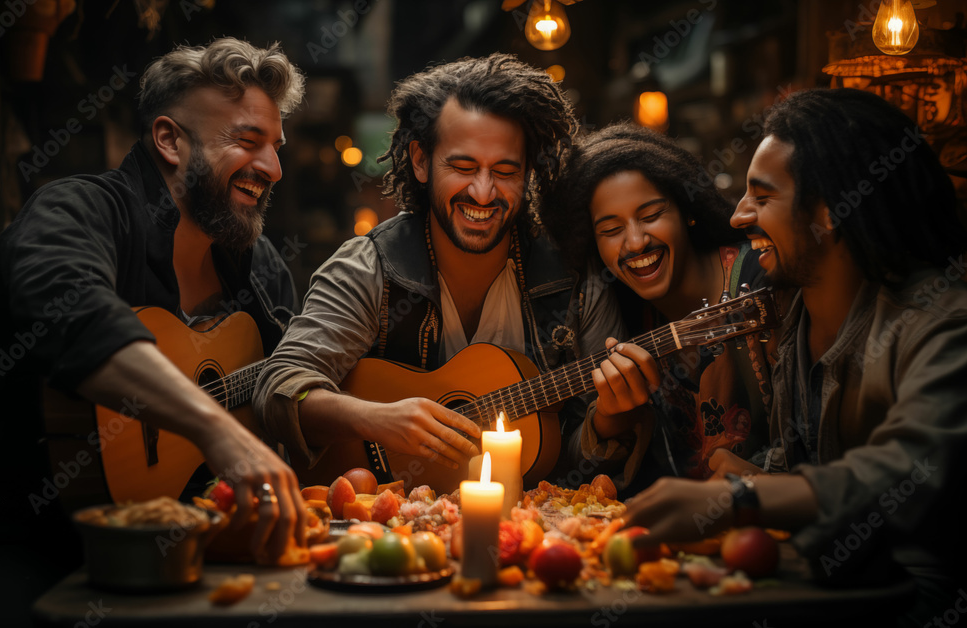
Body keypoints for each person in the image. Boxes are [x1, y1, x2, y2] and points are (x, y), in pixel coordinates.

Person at [0, 38, 309, 616]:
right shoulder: (77, 209)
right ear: (169, 140)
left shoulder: (258, 263)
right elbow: (69, 306)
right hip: (22, 547)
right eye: (247, 141)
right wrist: (216, 430)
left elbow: (294, 374)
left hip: (184, 563)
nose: (272, 168)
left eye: (276, 146)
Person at [620, 88, 967, 623]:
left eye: (761, 196)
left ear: (830, 211)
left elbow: (916, 466)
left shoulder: (939, 318)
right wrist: (749, 479)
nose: (738, 216)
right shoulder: (796, 314)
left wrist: (745, 500)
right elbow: (799, 460)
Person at [255, 53, 645, 488]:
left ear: (528, 172)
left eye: (504, 171)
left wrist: (608, 423)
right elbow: (277, 389)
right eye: (462, 167)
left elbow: (576, 462)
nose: (482, 192)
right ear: (421, 161)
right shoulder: (368, 268)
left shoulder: (576, 280)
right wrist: (378, 420)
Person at [541, 124, 779, 498]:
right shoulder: (625, 312)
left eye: (650, 215)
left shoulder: (761, 278)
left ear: (687, 210)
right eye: (611, 229)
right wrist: (610, 421)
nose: (635, 242)